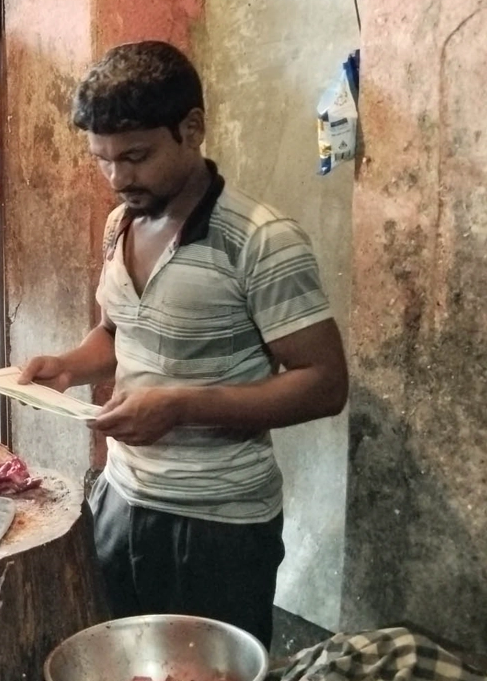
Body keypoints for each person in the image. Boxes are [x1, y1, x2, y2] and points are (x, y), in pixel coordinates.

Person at [18, 41, 348, 649]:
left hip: (218, 522)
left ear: (192, 128)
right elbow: (119, 334)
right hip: (120, 499)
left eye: (137, 157)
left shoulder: (261, 241)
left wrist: (181, 405)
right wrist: (67, 365)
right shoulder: (123, 224)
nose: (119, 178)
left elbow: (324, 383)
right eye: (103, 160)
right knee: (125, 659)